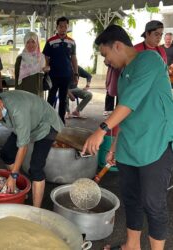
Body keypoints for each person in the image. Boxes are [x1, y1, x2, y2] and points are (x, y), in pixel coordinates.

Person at [82, 25, 173, 250]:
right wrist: (114, 143)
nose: (105, 61)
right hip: (129, 146)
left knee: (153, 204)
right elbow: (124, 113)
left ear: (118, 46)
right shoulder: (123, 75)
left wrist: (101, 130)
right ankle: (132, 246)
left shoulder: (149, 60)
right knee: (131, 199)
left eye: (105, 54)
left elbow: (129, 104)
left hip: (155, 143)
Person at [0, 90, 64, 207]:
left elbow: (23, 147)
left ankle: (36, 210)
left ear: (0, 104)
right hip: (26, 124)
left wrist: (13, 175)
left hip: (46, 124)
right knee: (6, 154)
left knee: (36, 168)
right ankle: (18, 190)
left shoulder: (18, 110)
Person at [43, 16, 78, 123]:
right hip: (53, 75)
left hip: (66, 75)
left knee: (63, 99)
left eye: (65, 26)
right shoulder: (51, 41)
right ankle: (48, 120)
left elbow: (74, 58)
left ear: (67, 27)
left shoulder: (71, 42)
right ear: (57, 27)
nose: (63, 28)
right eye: (61, 26)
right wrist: (46, 70)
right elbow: (46, 57)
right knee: (51, 98)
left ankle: (61, 120)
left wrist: (76, 73)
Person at [14, 31, 49, 98]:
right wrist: (17, 95)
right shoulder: (20, 58)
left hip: (37, 92)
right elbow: (16, 79)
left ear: (37, 43)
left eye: (33, 42)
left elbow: (43, 76)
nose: (30, 45)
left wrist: (46, 70)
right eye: (28, 42)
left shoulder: (41, 57)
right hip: (23, 93)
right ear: (25, 43)